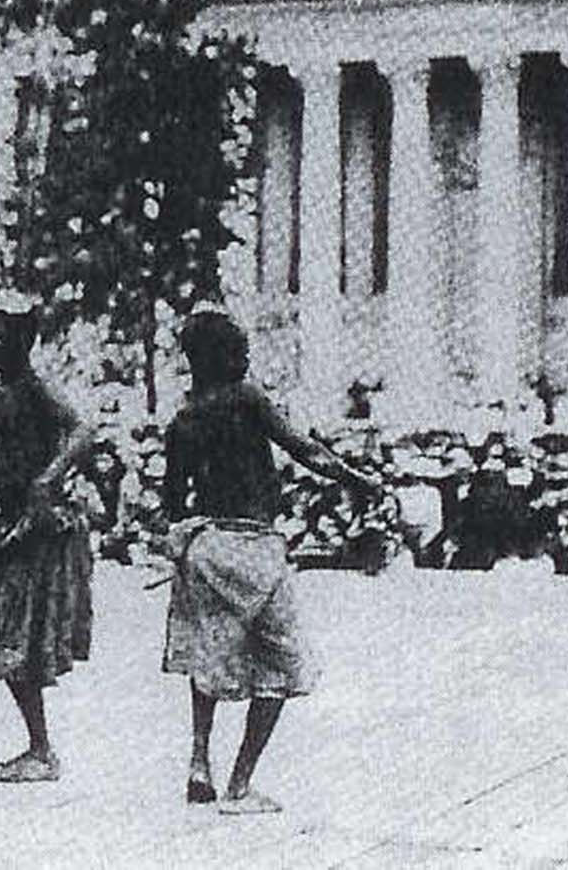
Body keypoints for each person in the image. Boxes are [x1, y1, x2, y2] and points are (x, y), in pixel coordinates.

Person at [159, 311, 380, 815]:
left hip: (208, 546)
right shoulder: (248, 398)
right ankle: (239, 784)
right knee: (284, 663)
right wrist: (358, 480)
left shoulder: (184, 418)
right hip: (256, 545)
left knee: (209, 656)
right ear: (220, 357)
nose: (246, 356)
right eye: (238, 349)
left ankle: (199, 760)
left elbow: (173, 500)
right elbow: (306, 450)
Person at [0, 302, 96, 783]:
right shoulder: (0, 396)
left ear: (18, 345)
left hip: (36, 531)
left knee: (16, 640)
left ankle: (42, 751)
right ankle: (38, 746)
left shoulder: (37, 389)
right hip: (9, 528)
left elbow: (83, 431)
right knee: (6, 641)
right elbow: (1, 453)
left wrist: (49, 478)